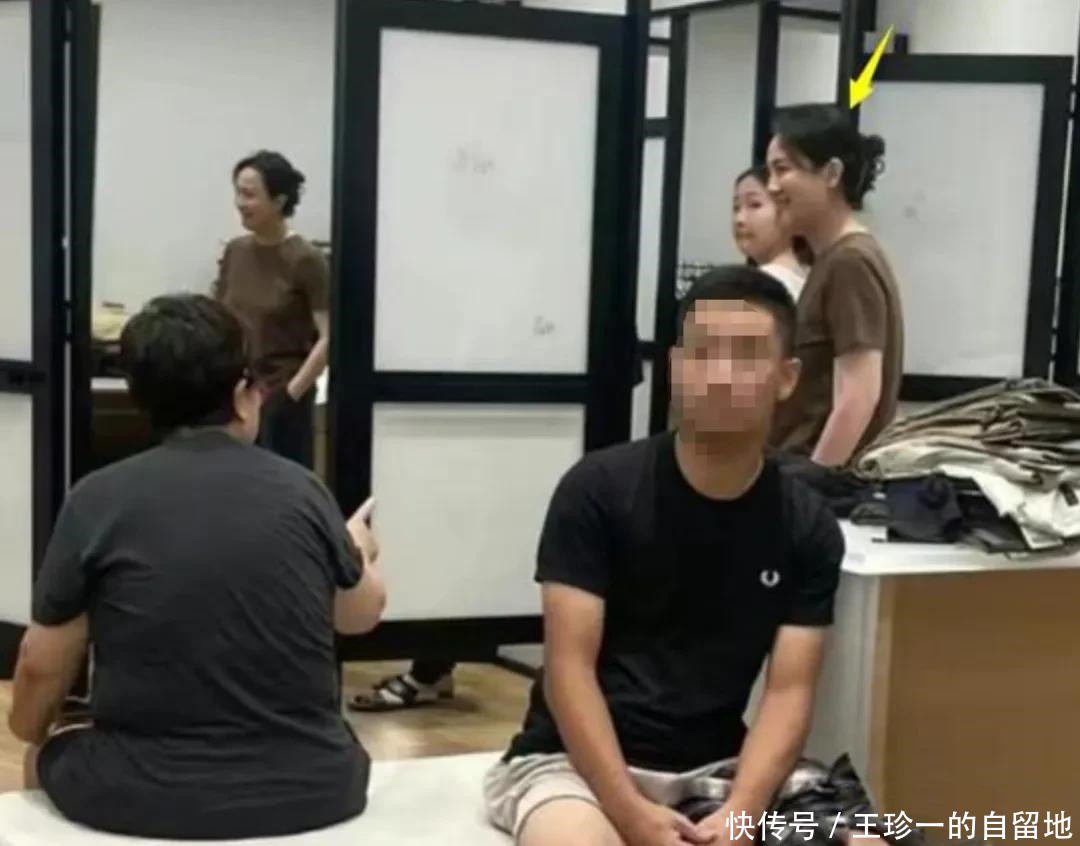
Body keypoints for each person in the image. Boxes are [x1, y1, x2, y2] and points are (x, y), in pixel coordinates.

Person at [484, 267, 890, 846]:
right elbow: (569, 670)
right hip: (573, 763)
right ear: (675, 367)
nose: (720, 375)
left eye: (745, 356)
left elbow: (788, 692)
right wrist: (629, 812)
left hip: (718, 766)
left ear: (786, 378)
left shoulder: (805, 524)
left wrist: (744, 810)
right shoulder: (597, 490)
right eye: (703, 353)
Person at [9, 294, 386, 839]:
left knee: (41, 756)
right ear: (241, 396)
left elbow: (40, 663)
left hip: (139, 793)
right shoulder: (304, 492)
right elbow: (359, 615)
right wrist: (357, 549)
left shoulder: (96, 500)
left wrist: (29, 730)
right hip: (315, 787)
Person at [766, 103, 904, 467]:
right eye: (770, 172)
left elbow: (858, 396)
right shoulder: (833, 259)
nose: (772, 187)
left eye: (783, 169)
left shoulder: (849, 262)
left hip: (824, 479)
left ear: (831, 174)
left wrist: (812, 483)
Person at [214, 150, 329, 468]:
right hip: (236, 395)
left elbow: (329, 337)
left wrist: (291, 394)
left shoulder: (306, 259)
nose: (240, 203)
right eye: (238, 193)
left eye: (250, 195)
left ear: (279, 201)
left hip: (282, 398)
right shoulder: (235, 251)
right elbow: (219, 318)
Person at [733, 165, 808, 299]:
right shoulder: (809, 276)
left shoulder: (762, 282)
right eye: (736, 207)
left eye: (755, 205)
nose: (739, 219)